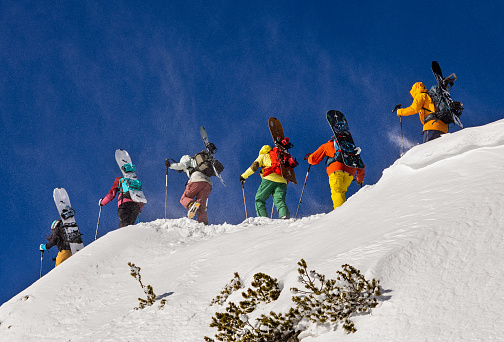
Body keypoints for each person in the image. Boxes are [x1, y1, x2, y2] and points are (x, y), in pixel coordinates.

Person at [306, 138, 365, 209]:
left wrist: (309, 158)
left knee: (337, 192)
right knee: (341, 193)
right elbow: (360, 164)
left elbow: (313, 159)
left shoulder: (328, 145)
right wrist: (359, 178)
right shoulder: (350, 147)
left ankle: (340, 213)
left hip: (336, 170)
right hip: (349, 174)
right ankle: (346, 212)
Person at [240, 144, 294, 219]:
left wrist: (243, 176)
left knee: (259, 200)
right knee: (279, 200)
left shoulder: (263, 156)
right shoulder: (279, 157)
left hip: (269, 179)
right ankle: (284, 216)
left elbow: (254, 166)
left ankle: (263, 219)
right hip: (282, 181)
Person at [166, 155, 212, 225]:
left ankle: (191, 204)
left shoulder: (186, 158)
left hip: (197, 179)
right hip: (208, 184)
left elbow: (182, 165)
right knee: (200, 205)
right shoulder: (199, 164)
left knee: (184, 198)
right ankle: (203, 222)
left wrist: (170, 165)